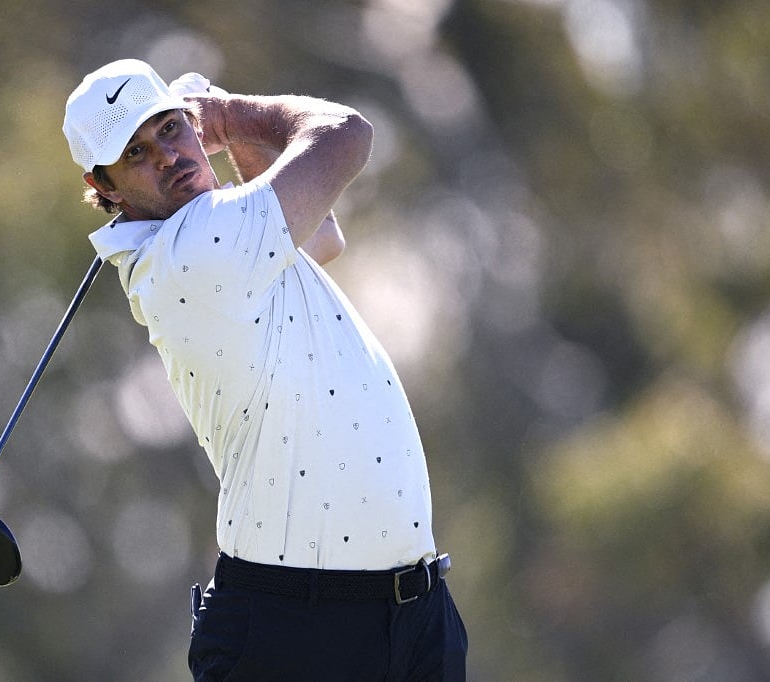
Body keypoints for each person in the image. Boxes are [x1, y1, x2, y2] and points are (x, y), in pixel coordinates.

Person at [63, 58, 467, 680]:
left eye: (170, 129)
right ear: (107, 187)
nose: (168, 156)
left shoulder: (225, 235)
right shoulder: (195, 253)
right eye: (137, 153)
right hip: (296, 633)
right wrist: (228, 115)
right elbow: (346, 135)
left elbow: (321, 240)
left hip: (411, 617)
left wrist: (222, 139)